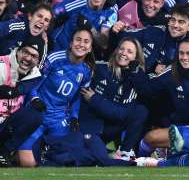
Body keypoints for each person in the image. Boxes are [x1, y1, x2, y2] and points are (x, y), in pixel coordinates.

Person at [19, 27, 95, 167]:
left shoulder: (87, 71)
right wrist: (35, 99)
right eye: (78, 40)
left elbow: (77, 97)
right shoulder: (54, 58)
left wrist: (74, 117)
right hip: (38, 114)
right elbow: (33, 84)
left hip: (59, 119)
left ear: (90, 48)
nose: (81, 44)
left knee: (71, 158)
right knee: (27, 162)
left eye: (86, 42)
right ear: (71, 43)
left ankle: (46, 154)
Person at [78, 37, 148, 161]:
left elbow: (121, 114)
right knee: (91, 158)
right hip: (90, 126)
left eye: (129, 51)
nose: (124, 53)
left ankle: (125, 152)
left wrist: (94, 100)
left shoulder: (136, 79)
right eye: (121, 49)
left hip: (110, 129)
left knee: (141, 111)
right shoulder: (98, 68)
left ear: (136, 59)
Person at [0, 36, 46, 167]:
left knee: (37, 115)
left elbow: (22, 88)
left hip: (6, 124)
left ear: (37, 61)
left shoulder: (35, 75)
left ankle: (4, 151)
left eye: (33, 56)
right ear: (18, 51)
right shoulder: (2, 66)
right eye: (25, 52)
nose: (27, 58)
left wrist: (11, 92)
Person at [50, 0, 117, 53]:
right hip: (56, 53)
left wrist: (90, 28)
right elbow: (52, 14)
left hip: (80, 60)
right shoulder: (78, 3)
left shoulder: (110, 13)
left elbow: (103, 43)